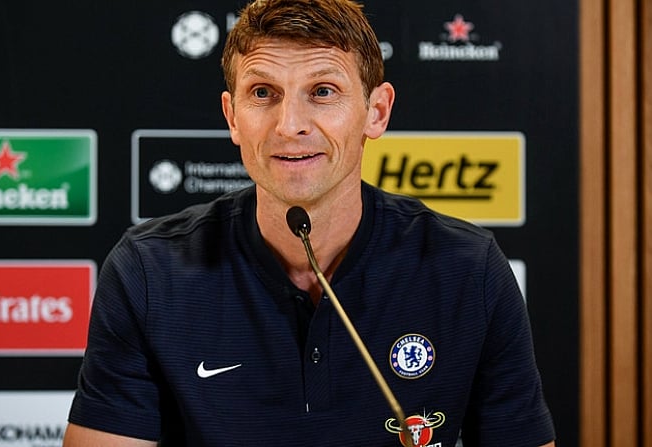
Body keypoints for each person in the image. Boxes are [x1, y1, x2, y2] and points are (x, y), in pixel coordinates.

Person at [63, 0, 556, 445]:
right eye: (263, 93)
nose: (289, 125)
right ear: (233, 117)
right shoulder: (147, 271)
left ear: (376, 112)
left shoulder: (468, 269)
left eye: (322, 91)